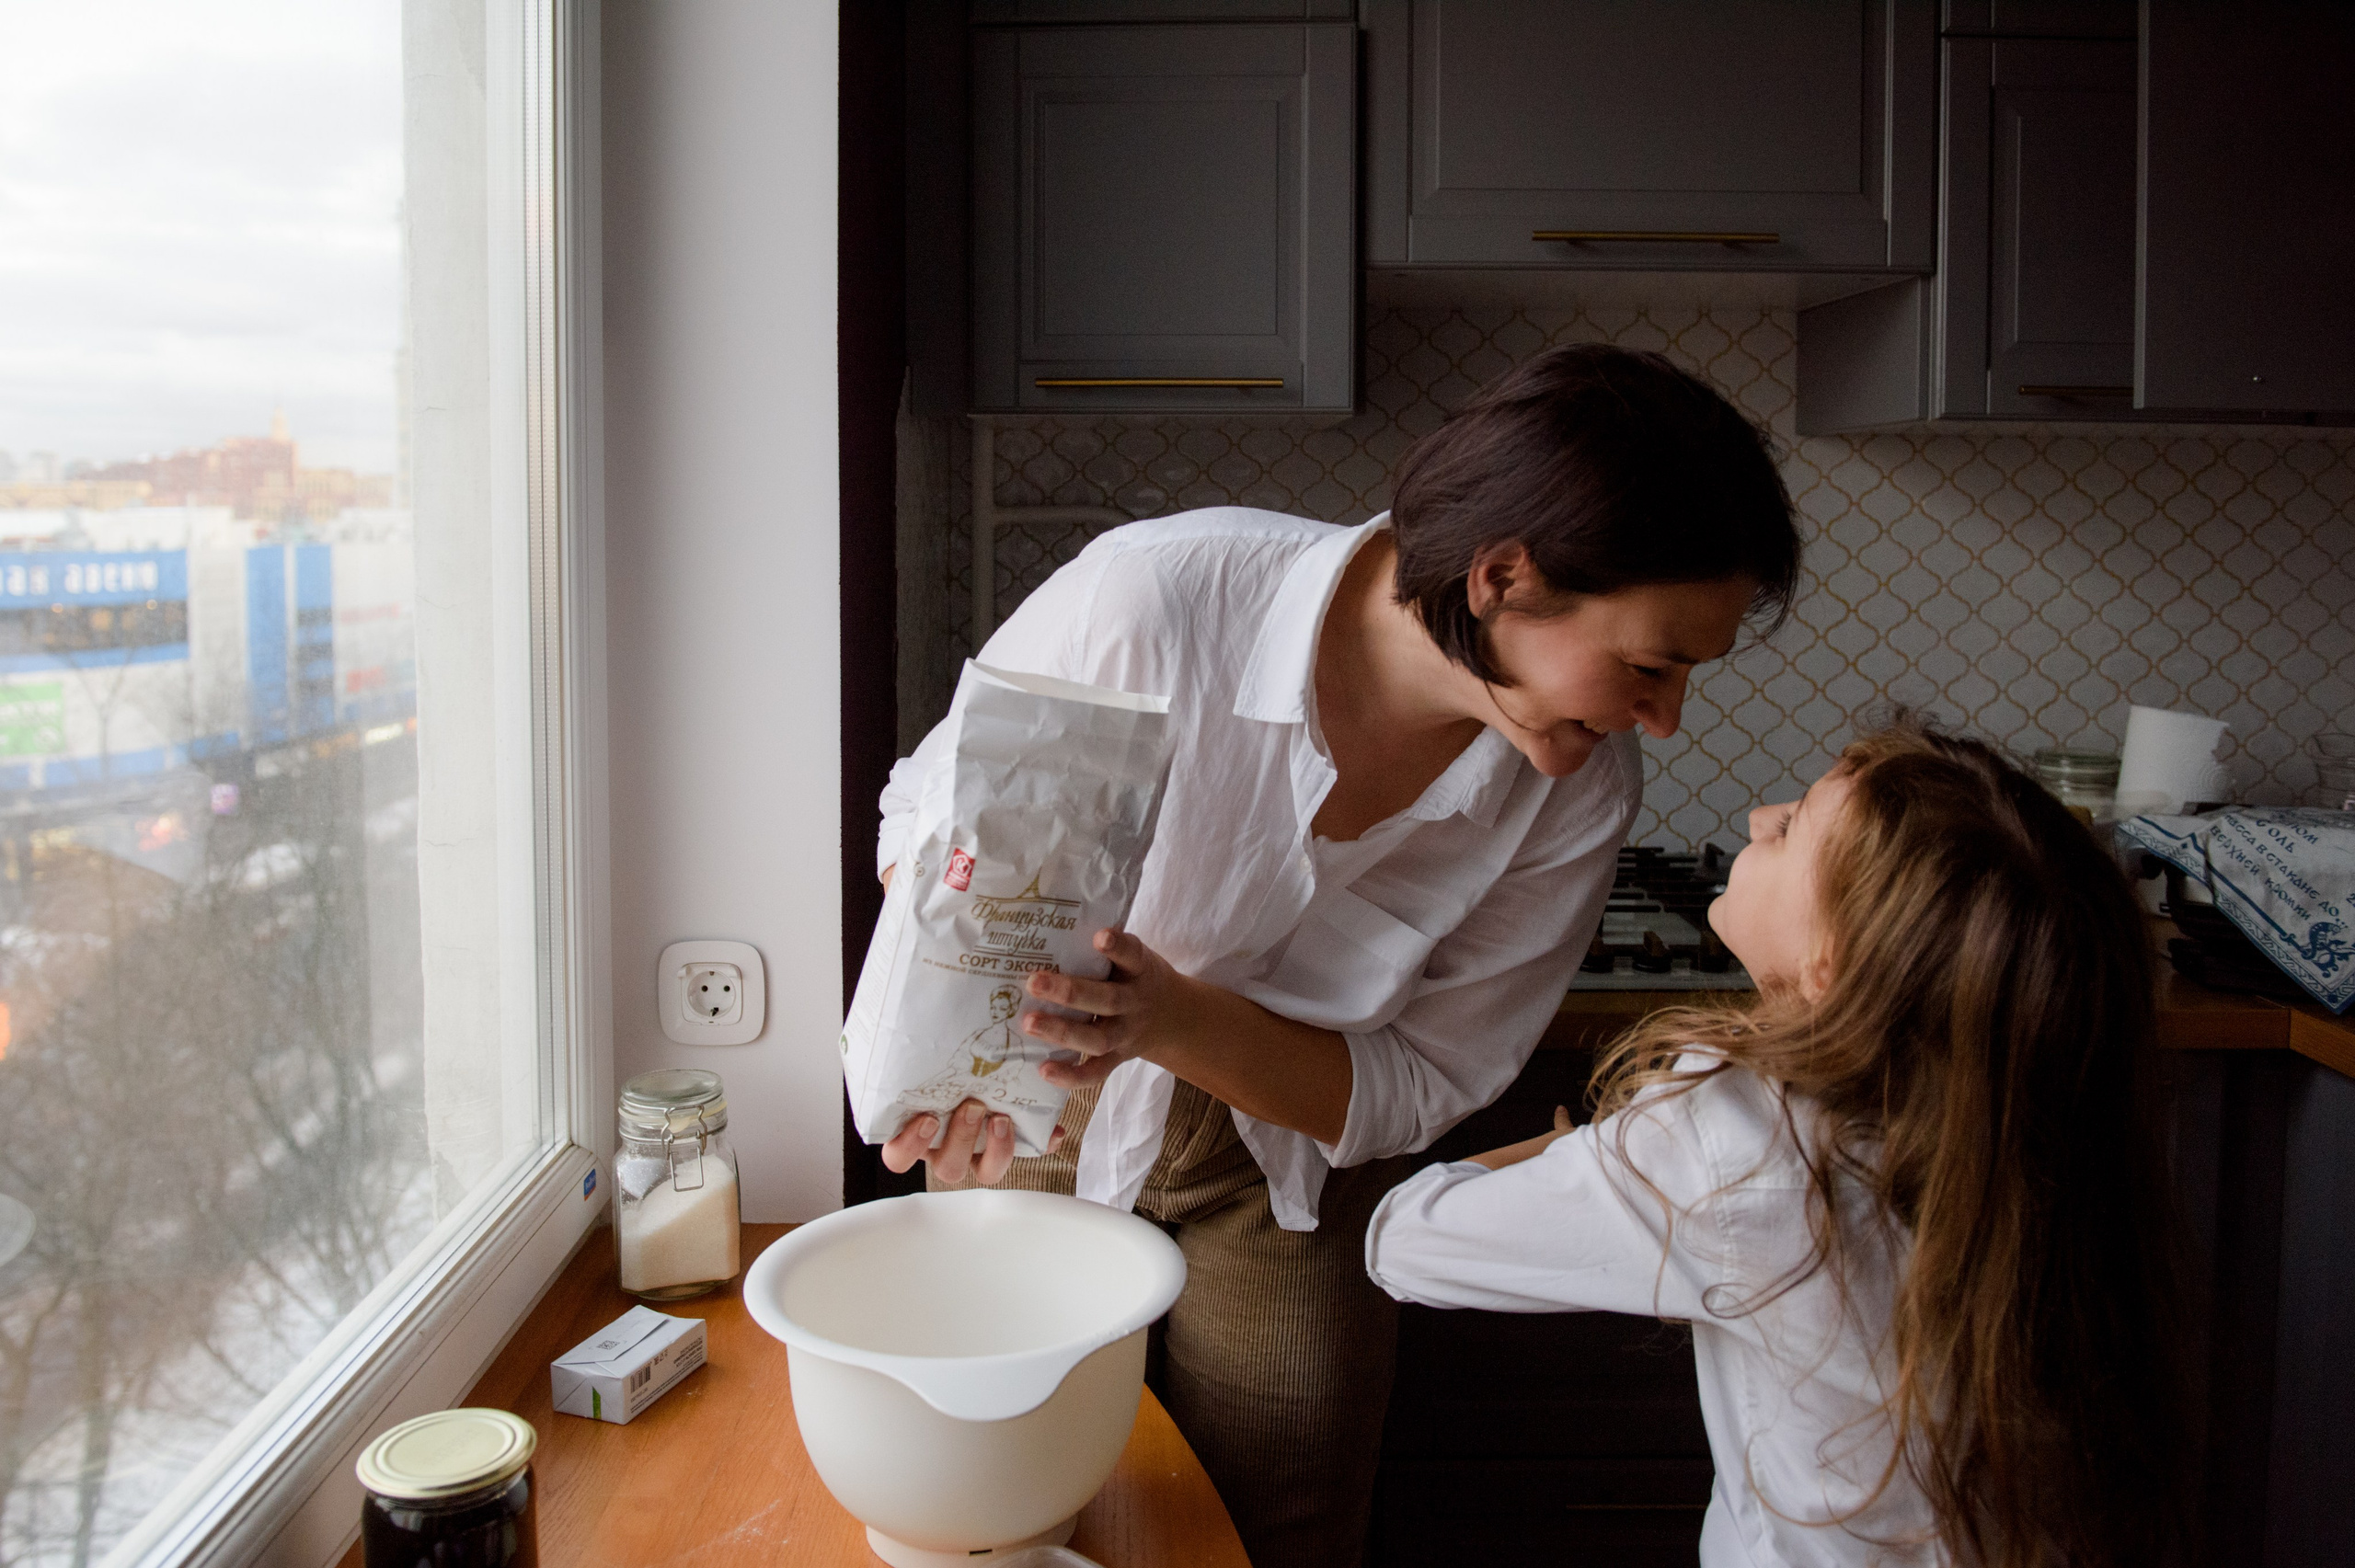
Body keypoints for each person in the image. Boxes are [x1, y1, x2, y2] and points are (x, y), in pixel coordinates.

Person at [870, 345, 1802, 1568]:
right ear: (1506, 579)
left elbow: (1419, 1081)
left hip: (1291, 1170)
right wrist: (945, 1044)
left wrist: (1174, 1021)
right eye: (1649, 664)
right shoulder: (1159, 603)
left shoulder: (1571, 793)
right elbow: (931, 834)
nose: (1666, 715)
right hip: (1039, 1124)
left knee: (1284, 1535)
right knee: (1001, 1521)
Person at [1364, 722, 2188, 1568]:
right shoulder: (2029, 1123)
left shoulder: (1736, 1134)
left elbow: (1405, 1239)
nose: (1759, 816)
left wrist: (1572, 1152)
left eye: (1793, 826)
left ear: (1833, 961)